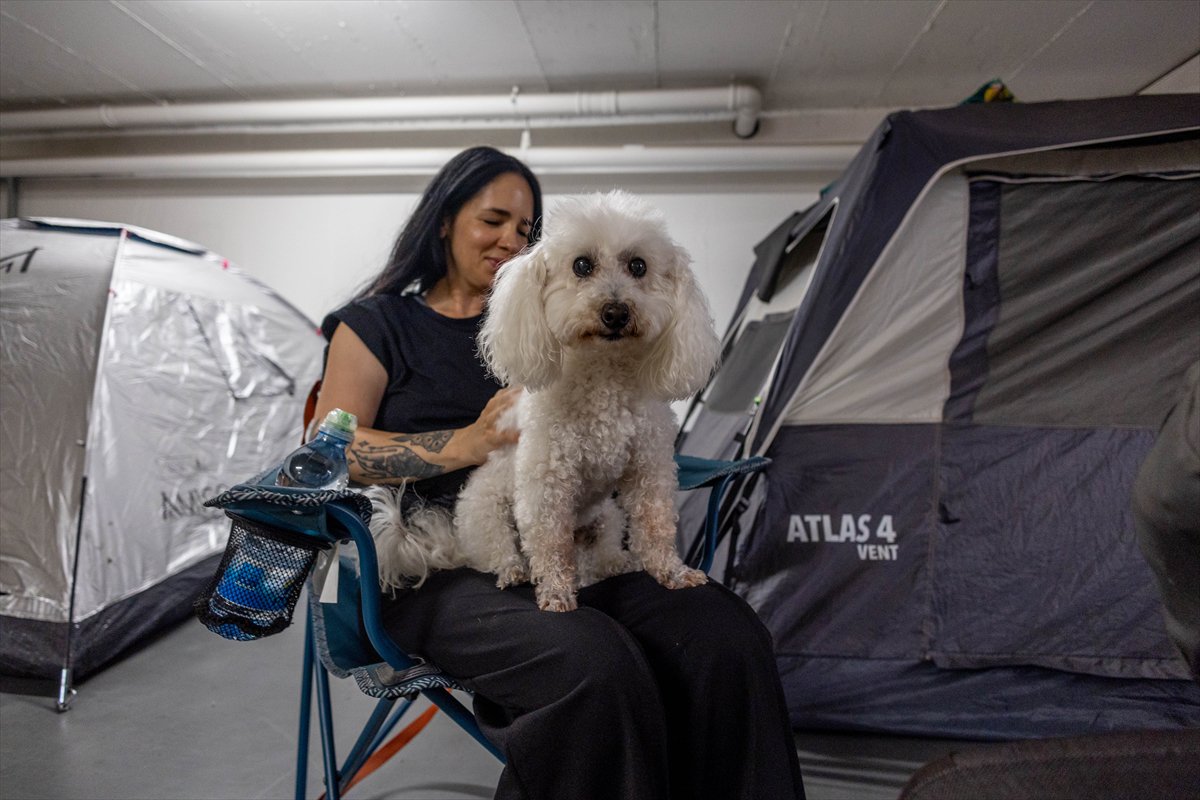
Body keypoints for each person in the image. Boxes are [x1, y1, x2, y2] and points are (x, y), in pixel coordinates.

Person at [313, 146, 806, 800]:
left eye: (525, 229)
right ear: (444, 220)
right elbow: (330, 448)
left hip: (578, 543)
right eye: (493, 220)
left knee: (726, 636)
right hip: (444, 566)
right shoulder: (380, 325)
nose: (509, 241)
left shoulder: (565, 315)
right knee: (591, 664)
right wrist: (463, 444)